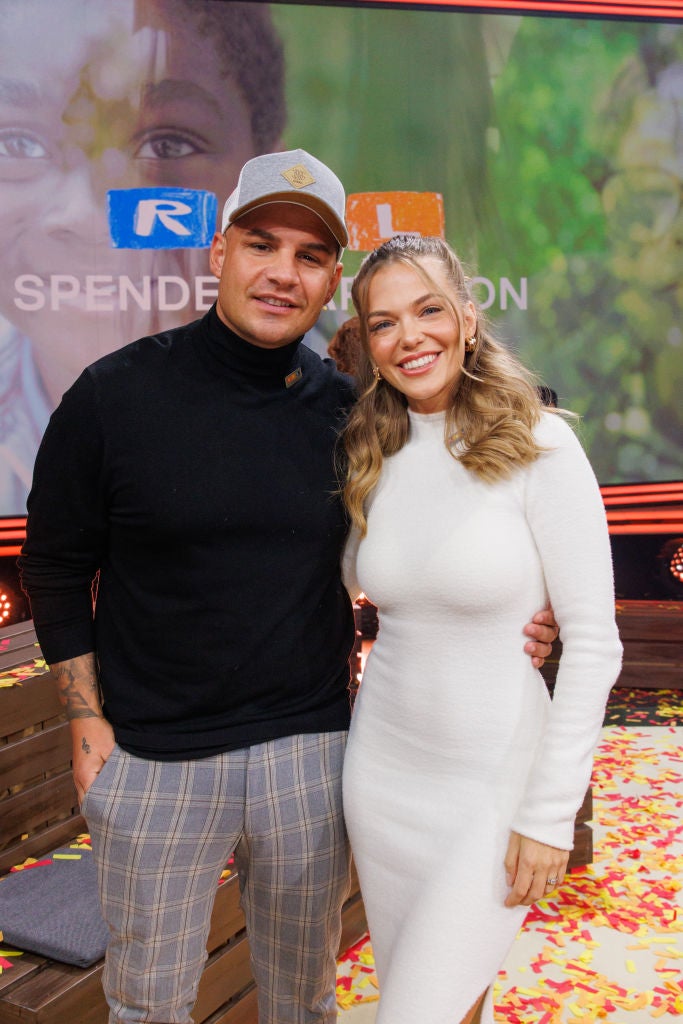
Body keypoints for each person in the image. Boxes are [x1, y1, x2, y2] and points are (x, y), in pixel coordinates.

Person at [19, 151, 558, 1024]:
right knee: (146, 1007)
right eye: (261, 244)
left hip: (312, 754)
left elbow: (445, 527)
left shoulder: (352, 415)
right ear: (218, 252)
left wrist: (532, 610)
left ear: (331, 281)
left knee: (303, 1004)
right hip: (154, 757)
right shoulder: (112, 397)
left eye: (309, 256)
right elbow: (52, 564)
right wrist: (85, 718)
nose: (282, 272)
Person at [340, 235, 623, 1024]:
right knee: (447, 1001)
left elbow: (594, 642)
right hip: (382, 778)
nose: (410, 336)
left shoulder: (541, 443)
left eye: (428, 310)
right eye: (384, 322)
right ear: (367, 343)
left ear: (467, 319)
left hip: (492, 788)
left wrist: (549, 812)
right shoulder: (372, 450)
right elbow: (360, 580)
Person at [0, 0, 284, 512]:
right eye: (19, 144)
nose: (86, 215)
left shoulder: (349, 405)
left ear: (266, 184)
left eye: (167, 146)